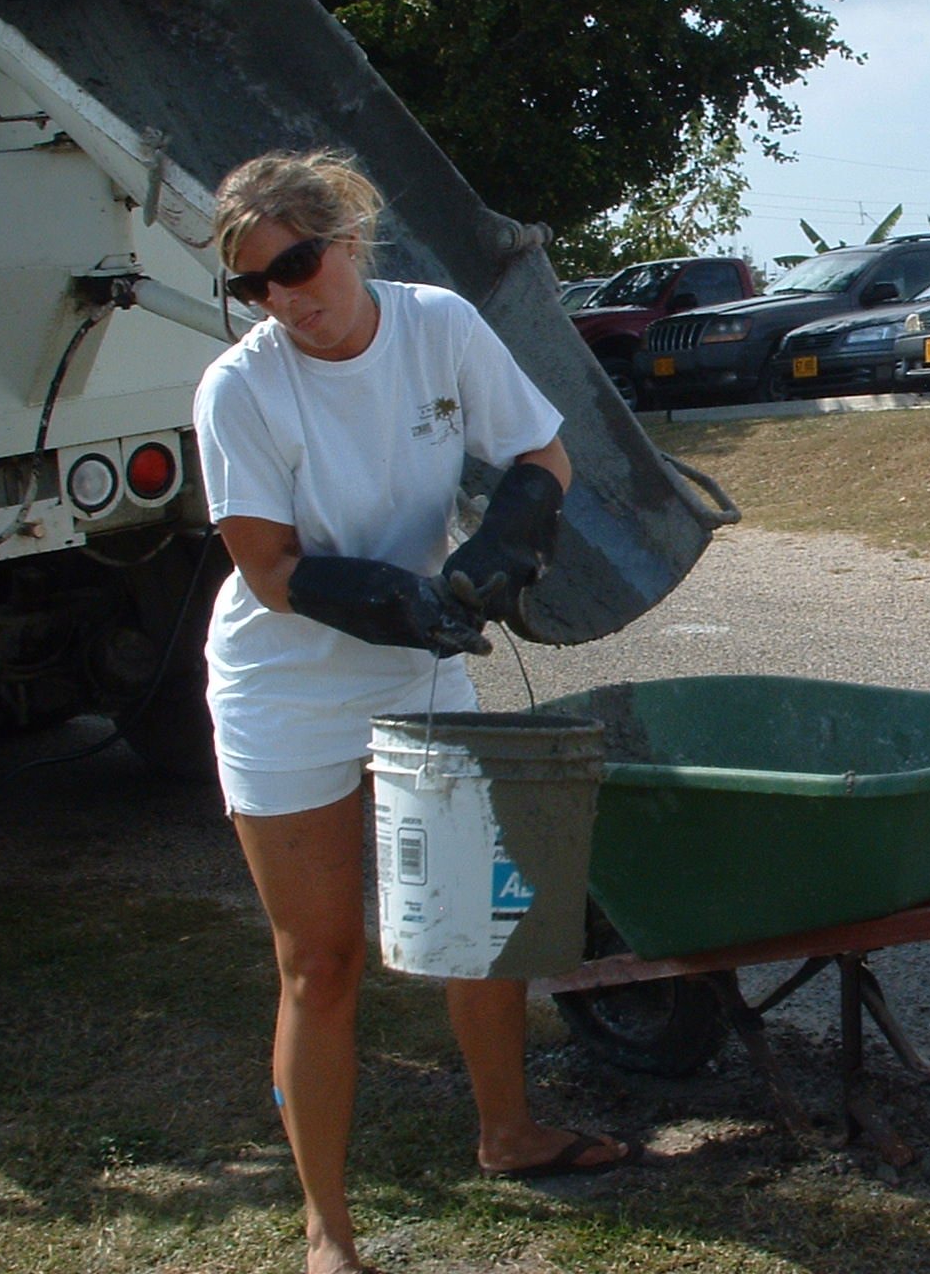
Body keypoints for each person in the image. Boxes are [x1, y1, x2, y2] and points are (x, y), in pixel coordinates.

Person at [195, 151, 632, 1274]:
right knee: (321, 962)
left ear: (350, 239)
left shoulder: (436, 326)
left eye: (298, 264)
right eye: (256, 285)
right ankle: (326, 1229)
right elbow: (268, 569)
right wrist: (382, 597)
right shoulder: (240, 388)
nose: (288, 298)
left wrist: (504, 540)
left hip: (421, 662)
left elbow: (542, 450)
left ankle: (508, 1133)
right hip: (285, 687)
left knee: (470, 927)